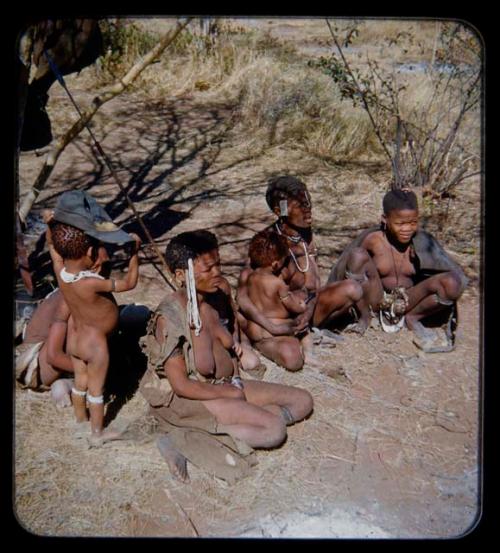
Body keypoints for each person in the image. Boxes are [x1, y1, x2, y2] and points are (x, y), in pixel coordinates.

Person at [139, 229, 313, 483]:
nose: (217, 273)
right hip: (193, 397)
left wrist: (239, 363)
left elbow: (233, 336)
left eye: (218, 264)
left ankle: (242, 418)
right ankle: (180, 439)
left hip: (228, 386)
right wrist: (226, 394)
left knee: (302, 402)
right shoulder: (169, 319)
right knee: (274, 431)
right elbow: (181, 385)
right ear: (180, 275)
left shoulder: (216, 298)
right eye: (208, 269)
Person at [45, 190, 141, 446]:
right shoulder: (91, 283)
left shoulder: (61, 272)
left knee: (80, 382)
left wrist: (51, 226)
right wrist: (134, 255)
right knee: (96, 390)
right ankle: (98, 433)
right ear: (89, 250)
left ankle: (80, 420)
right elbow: (130, 283)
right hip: (95, 342)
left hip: (75, 338)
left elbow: (53, 248)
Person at [237, 176, 363, 369]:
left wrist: (308, 311)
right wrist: (271, 326)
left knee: (353, 289)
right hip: (282, 319)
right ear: (281, 211)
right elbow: (244, 294)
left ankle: (310, 331)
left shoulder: (305, 235)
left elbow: (314, 284)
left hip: (306, 310)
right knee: (291, 357)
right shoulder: (268, 245)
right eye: (300, 205)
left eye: (308, 201)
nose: (308, 208)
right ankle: (279, 342)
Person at [328, 188, 468, 351]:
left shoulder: (422, 242)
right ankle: (365, 318)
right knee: (357, 256)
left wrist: (423, 260)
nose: (407, 229)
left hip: (409, 299)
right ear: (385, 220)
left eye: (413, 223)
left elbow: (449, 271)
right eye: (400, 223)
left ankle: (413, 318)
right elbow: (350, 266)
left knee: (452, 282)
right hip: (377, 299)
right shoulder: (373, 240)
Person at [243, 229, 309, 371]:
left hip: (257, 331)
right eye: (284, 260)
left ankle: (261, 345)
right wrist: (302, 306)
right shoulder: (277, 283)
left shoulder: (250, 277)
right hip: (275, 330)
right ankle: (306, 352)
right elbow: (292, 305)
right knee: (294, 361)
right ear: (275, 264)